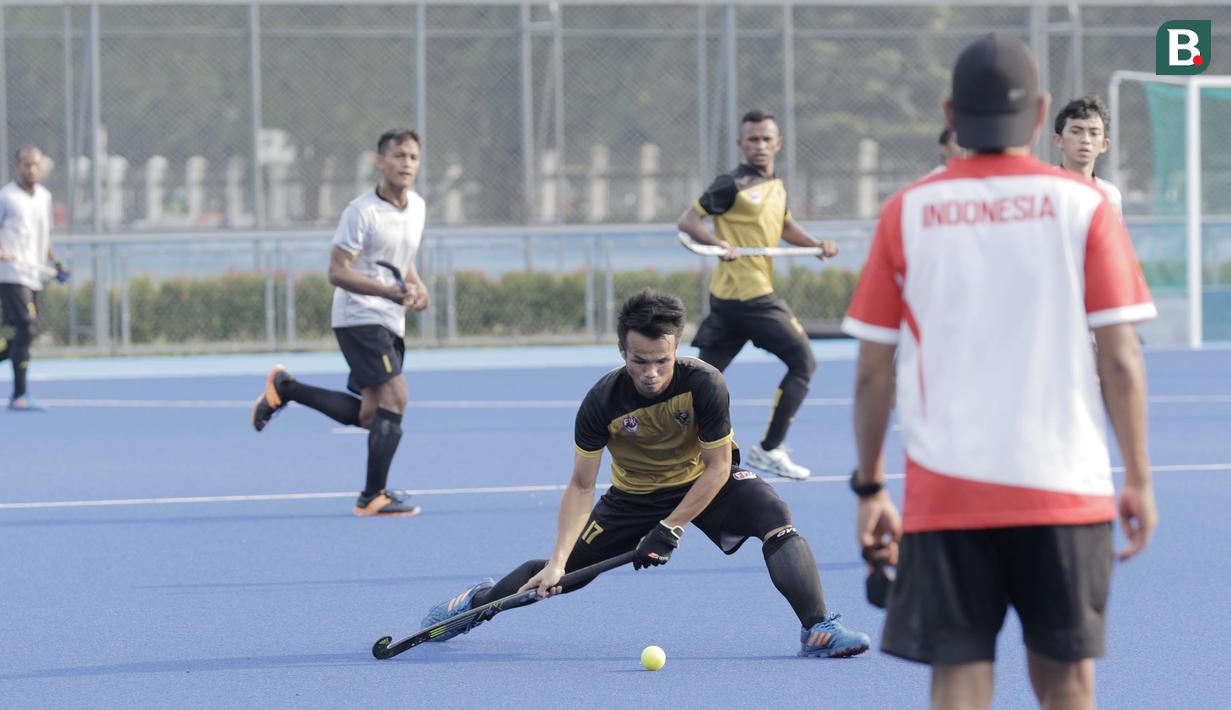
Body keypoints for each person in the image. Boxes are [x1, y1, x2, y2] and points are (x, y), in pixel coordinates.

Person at [844, 35, 1158, 710]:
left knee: (958, 679)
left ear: (950, 112)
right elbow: (1121, 358)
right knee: (1067, 681)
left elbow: (873, 370)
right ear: (1042, 112)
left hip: (946, 488)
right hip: (1064, 484)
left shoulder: (909, 211)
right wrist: (1134, 476)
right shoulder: (1084, 206)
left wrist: (869, 485)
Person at [420, 289, 870, 658]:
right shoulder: (602, 401)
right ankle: (473, 607)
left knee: (774, 514)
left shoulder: (704, 383)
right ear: (622, 350)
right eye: (639, 361)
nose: (651, 373)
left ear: (676, 349)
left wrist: (670, 528)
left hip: (704, 483)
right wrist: (558, 560)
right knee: (561, 576)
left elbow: (717, 468)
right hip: (632, 499)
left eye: (662, 360)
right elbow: (580, 485)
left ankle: (818, 629)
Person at [251, 129, 429, 517]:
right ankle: (372, 496)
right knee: (396, 398)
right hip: (359, 317)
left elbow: (404, 262)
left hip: (389, 319)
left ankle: (286, 389)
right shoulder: (361, 212)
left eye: (413, 157)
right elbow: (336, 271)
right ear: (380, 162)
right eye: (398, 156)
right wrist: (385, 293)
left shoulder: (417, 207)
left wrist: (418, 290)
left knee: (370, 414)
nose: (406, 164)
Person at [677, 109, 839, 480]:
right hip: (749, 295)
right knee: (803, 363)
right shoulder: (730, 184)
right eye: (753, 139)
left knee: (704, 378)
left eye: (767, 139)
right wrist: (718, 243)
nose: (760, 145)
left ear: (778, 143)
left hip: (730, 299)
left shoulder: (776, 184)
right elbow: (688, 221)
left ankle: (673, 448)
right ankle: (769, 449)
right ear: (741, 144)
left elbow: (783, 225)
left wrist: (816, 245)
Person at [0, 146, 68, 411]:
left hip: (34, 273)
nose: (32, 170)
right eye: (27, 165)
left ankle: (20, 391)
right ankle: (20, 394)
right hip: (11, 274)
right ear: (18, 166)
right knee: (27, 327)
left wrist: (57, 263)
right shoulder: (6, 197)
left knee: (26, 334)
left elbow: (45, 236)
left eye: (36, 165)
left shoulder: (44, 198)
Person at [1052, 95, 1122, 211]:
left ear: (1104, 145)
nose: (1085, 140)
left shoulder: (1111, 195)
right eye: (1076, 132)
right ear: (1058, 140)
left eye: (1094, 133)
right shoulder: (1042, 188)